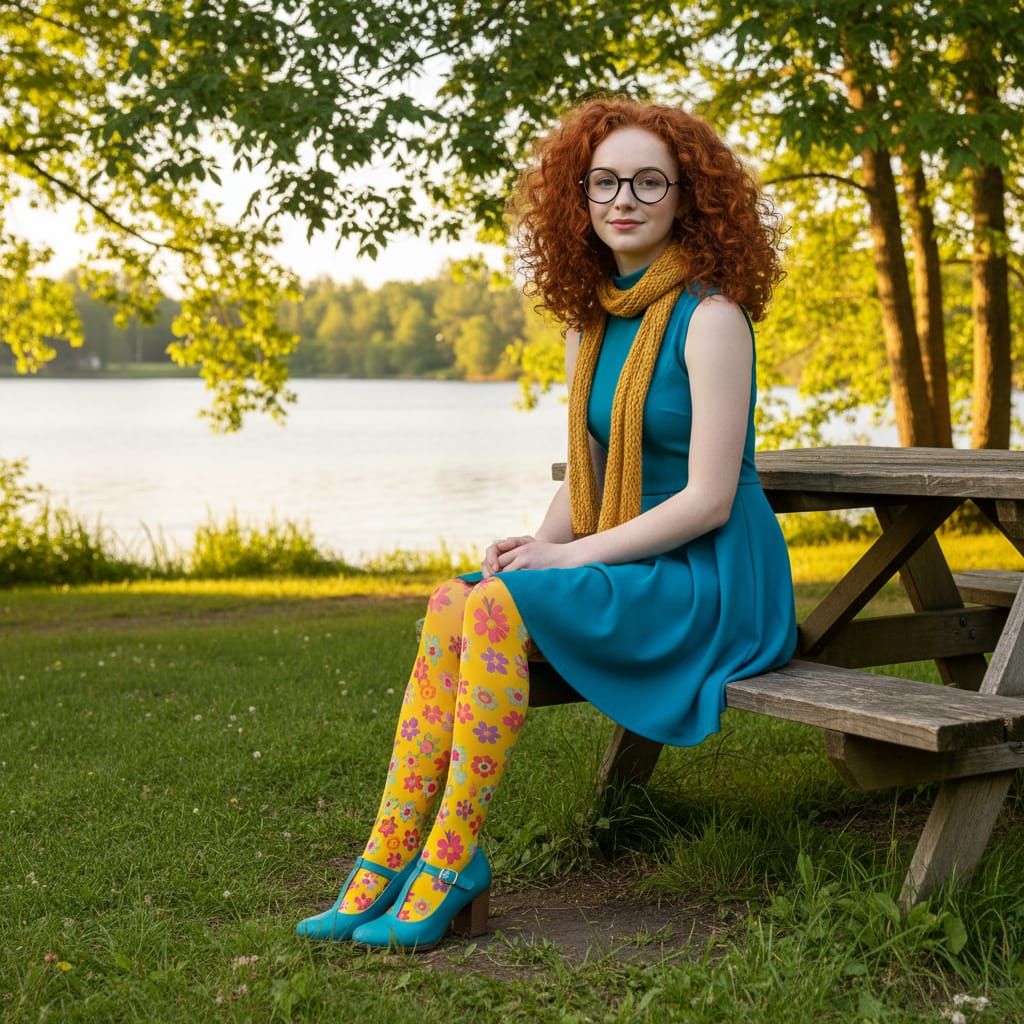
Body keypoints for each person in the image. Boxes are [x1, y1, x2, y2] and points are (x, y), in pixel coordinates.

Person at [295, 97, 798, 951]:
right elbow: (588, 467)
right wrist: (537, 547)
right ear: (581, 197)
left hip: (713, 576)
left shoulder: (714, 320)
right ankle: (390, 852)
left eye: (649, 181)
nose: (624, 198)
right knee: (462, 598)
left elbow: (710, 498)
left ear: (688, 198)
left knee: (495, 605)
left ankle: (451, 860)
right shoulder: (589, 325)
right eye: (604, 181)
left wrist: (570, 561)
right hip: (632, 558)